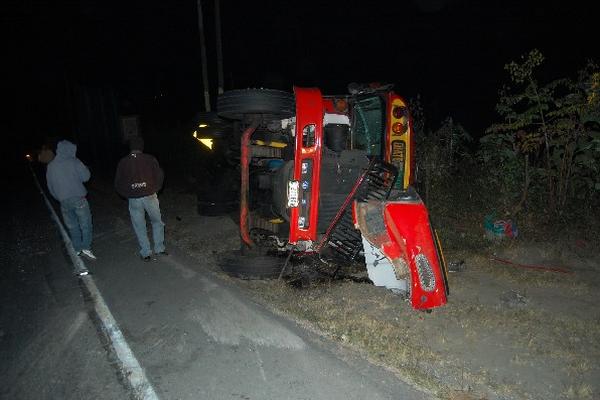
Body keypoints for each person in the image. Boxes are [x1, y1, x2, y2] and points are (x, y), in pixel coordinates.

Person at [114, 137, 166, 261]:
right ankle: (159, 249)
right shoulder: (150, 159)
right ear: (141, 146)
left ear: (131, 148)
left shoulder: (123, 162)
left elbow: (118, 183)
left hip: (133, 199)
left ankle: (146, 252)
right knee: (157, 222)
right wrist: (155, 189)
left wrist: (126, 194)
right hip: (150, 196)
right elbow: (159, 175)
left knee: (139, 225)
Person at [46, 140, 96, 260]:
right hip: (79, 198)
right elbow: (86, 177)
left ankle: (77, 249)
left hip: (63, 201)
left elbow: (50, 186)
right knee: (85, 224)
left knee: (72, 226)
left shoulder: (51, 166)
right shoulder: (75, 161)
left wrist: (59, 197)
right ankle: (86, 248)